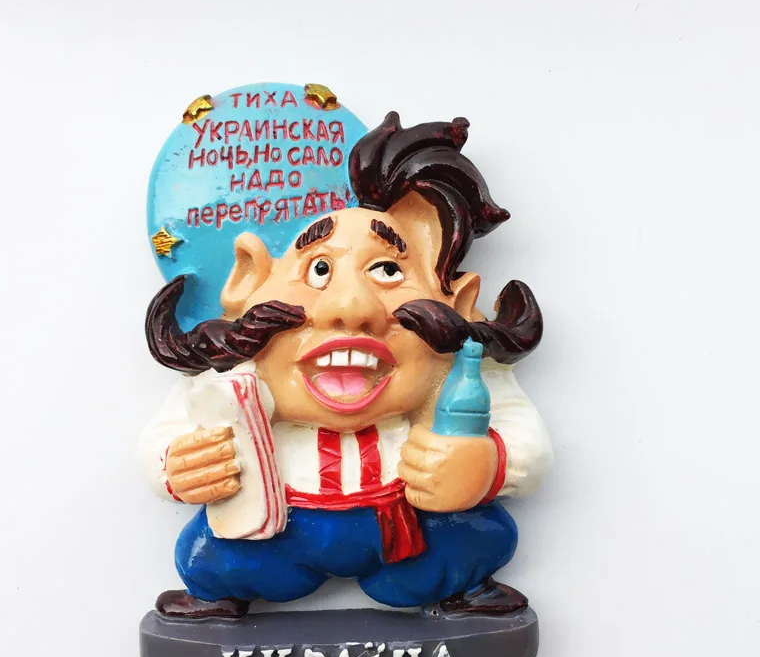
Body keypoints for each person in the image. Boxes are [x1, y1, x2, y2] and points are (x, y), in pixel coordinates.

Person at [140, 112, 552, 618]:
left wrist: (487, 464)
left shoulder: (461, 371)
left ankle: (462, 592)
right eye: (318, 270)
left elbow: (524, 435)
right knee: (209, 556)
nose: (351, 307)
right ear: (248, 282)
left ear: (460, 304)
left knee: (475, 537)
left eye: (388, 270)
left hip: (406, 530)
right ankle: (220, 597)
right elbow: (166, 434)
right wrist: (180, 466)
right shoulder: (230, 377)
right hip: (276, 530)